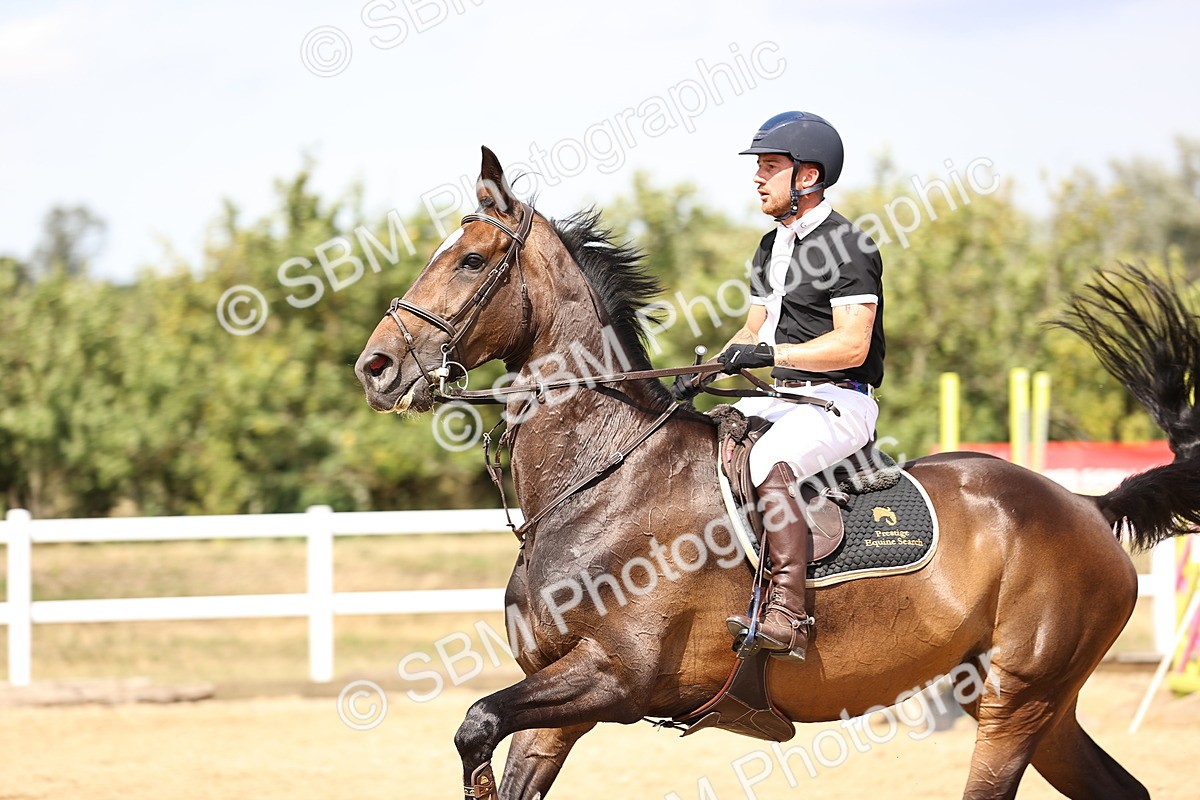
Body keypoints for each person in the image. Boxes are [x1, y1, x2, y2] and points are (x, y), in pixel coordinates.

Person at [674, 111, 885, 661]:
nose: (757, 178)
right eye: (759, 168)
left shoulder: (850, 246)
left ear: (807, 177)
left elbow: (852, 345)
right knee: (699, 440)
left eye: (770, 168)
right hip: (783, 397)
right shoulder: (770, 248)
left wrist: (772, 353)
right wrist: (706, 370)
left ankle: (788, 614)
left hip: (838, 400)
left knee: (767, 461)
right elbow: (753, 328)